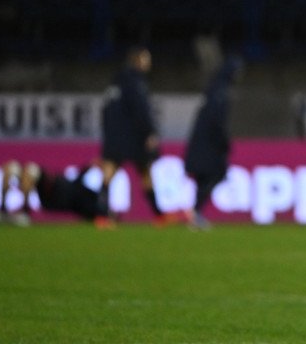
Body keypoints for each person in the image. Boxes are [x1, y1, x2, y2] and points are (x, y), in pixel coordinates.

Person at [99, 46, 172, 225]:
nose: (149, 63)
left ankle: (101, 215)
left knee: (109, 172)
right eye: (146, 59)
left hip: (114, 136)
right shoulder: (136, 82)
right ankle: (159, 216)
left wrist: (109, 132)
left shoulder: (116, 82)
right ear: (138, 61)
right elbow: (141, 109)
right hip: (133, 136)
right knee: (145, 172)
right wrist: (149, 132)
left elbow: (105, 110)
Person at [183, 55, 244, 231]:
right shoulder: (221, 91)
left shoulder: (215, 87)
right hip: (209, 142)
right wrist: (224, 141)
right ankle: (194, 211)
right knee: (217, 173)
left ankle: (195, 212)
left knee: (204, 177)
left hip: (202, 139)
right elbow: (217, 120)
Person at [0, 160, 116, 229]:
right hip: (56, 189)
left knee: (28, 171)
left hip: (54, 192)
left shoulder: (92, 208)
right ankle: (4, 211)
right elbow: (78, 181)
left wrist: (88, 167)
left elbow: (77, 184)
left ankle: (22, 212)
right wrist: (88, 167)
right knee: (14, 169)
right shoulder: (92, 198)